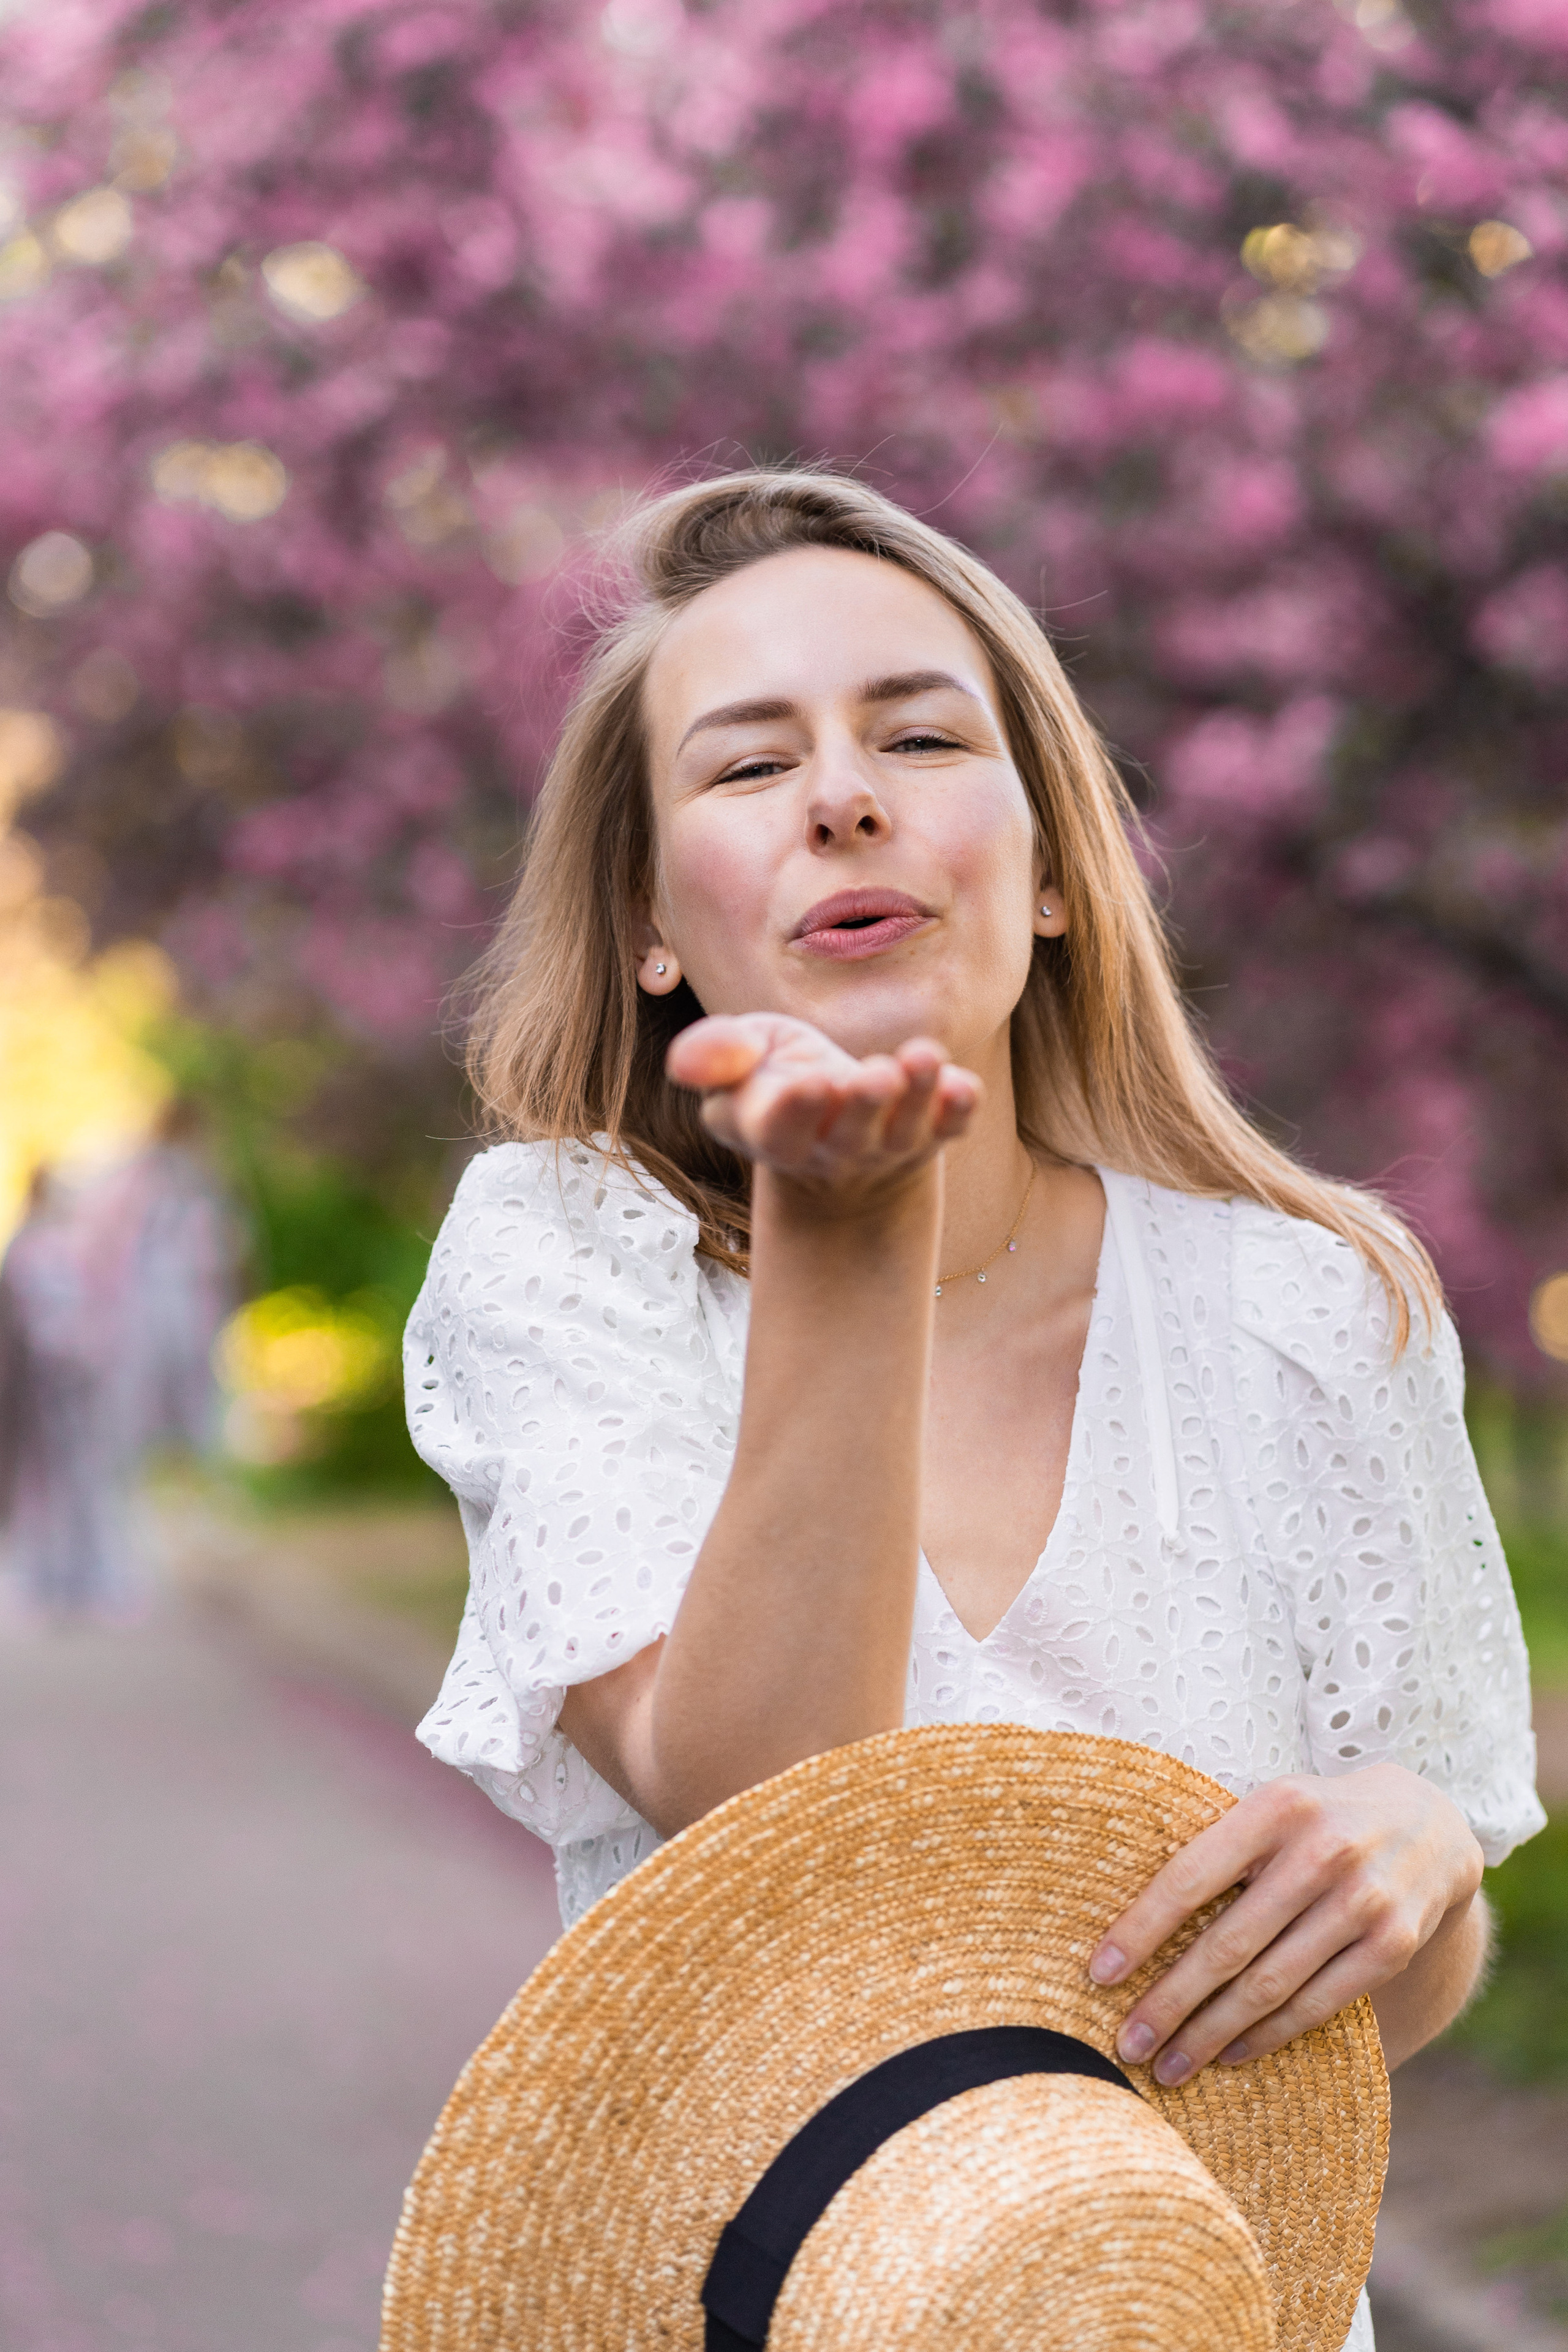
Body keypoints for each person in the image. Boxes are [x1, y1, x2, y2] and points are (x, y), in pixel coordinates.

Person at [405, 470, 1542, 2351]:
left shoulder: (1309, 1305)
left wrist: (1409, 1870)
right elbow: (770, 1826)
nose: (845, 795)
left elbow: (1362, 2024)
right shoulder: (566, 1262)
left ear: (1060, 870)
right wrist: (840, 1246)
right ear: (649, 925)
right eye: (750, 767)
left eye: (921, 736)